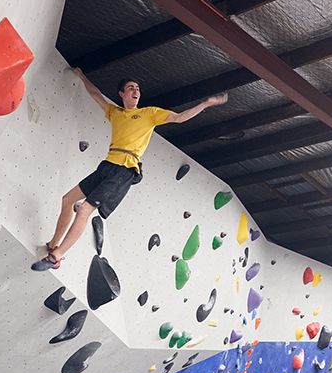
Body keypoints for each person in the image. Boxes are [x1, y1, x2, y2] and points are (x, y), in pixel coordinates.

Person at [33, 73, 227, 270]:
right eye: (131, 88)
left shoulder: (149, 113)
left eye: (138, 89)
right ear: (121, 94)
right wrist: (81, 76)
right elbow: (95, 93)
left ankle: (56, 257)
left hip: (125, 169)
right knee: (67, 200)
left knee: (84, 210)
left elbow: (179, 118)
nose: (136, 91)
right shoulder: (115, 112)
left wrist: (206, 104)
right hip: (107, 165)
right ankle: (53, 245)